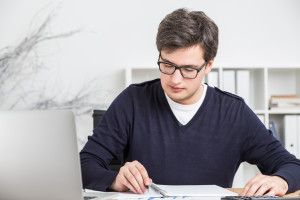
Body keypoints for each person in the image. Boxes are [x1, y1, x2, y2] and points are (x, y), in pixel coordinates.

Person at [80, 8, 300, 196]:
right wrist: (114, 180)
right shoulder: (132, 101)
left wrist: (281, 180)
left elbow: (292, 166)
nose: (175, 79)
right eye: (167, 65)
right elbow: (84, 164)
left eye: (188, 69)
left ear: (208, 65)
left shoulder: (234, 112)